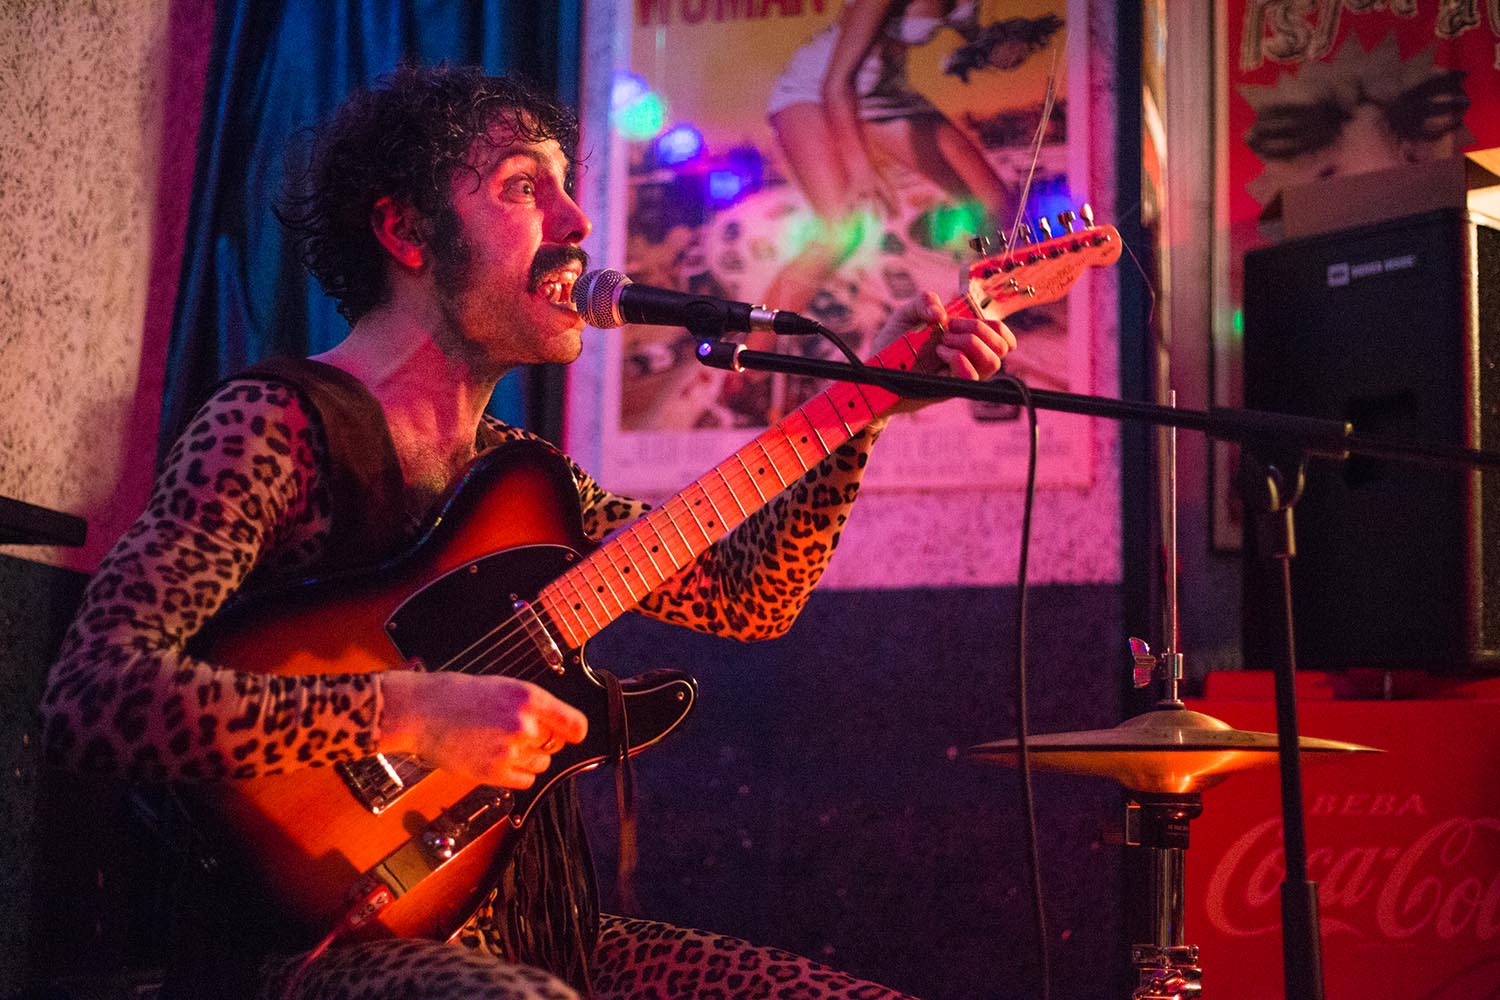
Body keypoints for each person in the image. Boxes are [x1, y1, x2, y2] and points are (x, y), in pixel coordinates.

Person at [39, 63, 1013, 1000]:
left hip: (541, 933)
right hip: (318, 955)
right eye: (523, 187)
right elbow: (95, 698)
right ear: (405, 231)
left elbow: (751, 594)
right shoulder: (276, 427)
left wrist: (863, 410)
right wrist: (408, 712)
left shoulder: (522, 477)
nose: (579, 224)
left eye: (567, 189)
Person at [733, 0, 1054, 421]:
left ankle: (975, 334)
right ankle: (747, 371)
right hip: (815, 92)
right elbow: (836, 83)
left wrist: (1000, 49)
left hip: (880, 93)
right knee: (839, 232)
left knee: (993, 198)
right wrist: (859, 165)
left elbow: (972, 41)